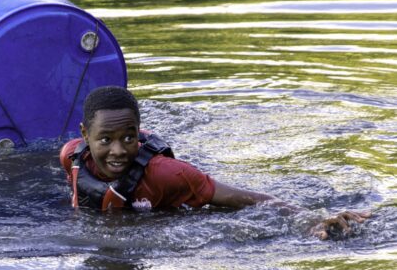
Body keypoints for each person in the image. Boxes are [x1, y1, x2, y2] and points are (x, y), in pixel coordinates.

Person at [59, 86, 371, 240]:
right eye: (105, 140)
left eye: (128, 138)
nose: (118, 150)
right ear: (85, 135)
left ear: (138, 133)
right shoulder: (70, 157)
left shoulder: (169, 174)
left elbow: (245, 198)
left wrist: (309, 219)